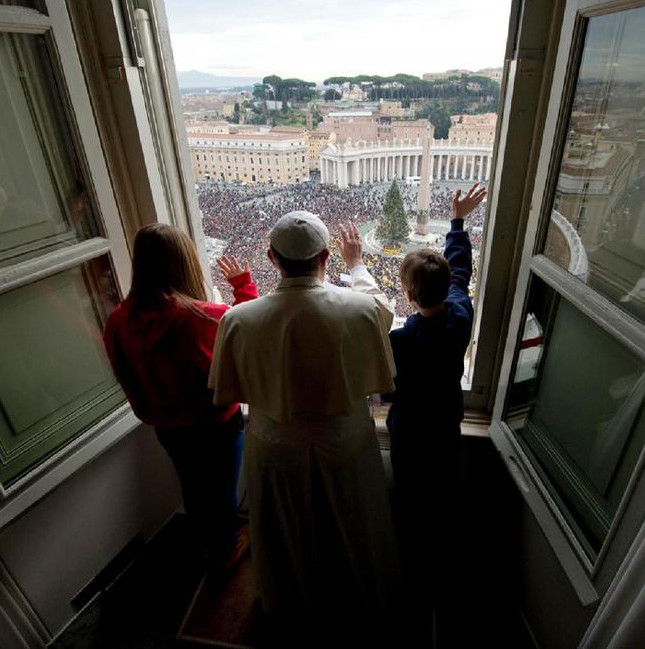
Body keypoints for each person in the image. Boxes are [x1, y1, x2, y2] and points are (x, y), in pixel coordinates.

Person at [208, 211, 401, 620]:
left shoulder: (237, 320)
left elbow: (228, 387)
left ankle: (287, 603)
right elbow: (382, 308)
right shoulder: (362, 310)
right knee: (352, 527)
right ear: (326, 256)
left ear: (271, 258)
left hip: (274, 444)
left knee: (282, 532)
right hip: (345, 440)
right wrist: (357, 264)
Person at [102, 223, 257, 572]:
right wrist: (243, 285)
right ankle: (225, 549)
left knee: (192, 487)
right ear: (184, 263)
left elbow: (124, 374)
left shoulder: (117, 321)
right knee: (221, 492)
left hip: (167, 426)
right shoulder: (202, 317)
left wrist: (149, 411)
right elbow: (248, 333)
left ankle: (207, 542)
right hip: (215, 425)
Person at [384, 182, 488, 600]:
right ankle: (439, 567)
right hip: (446, 421)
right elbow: (461, 269)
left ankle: (409, 564)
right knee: (443, 492)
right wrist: (458, 221)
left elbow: (383, 383)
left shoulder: (400, 342)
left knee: (408, 497)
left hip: (409, 431)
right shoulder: (462, 312)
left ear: (409, 296)